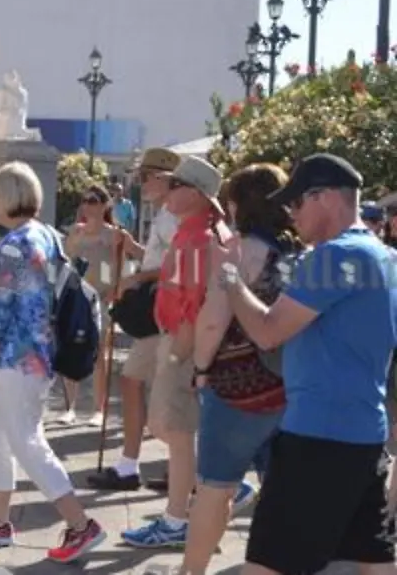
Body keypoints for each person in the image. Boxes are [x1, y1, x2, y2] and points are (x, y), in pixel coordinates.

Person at [212, 153, 397, 574]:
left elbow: (266, 331)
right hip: (365, 435)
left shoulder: (333, 257)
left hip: (318, 438)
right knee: (374, 561)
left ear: (328, 197)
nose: (289, 212)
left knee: (266, 564)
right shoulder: (384, 256)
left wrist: (229, 277)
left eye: (297, 201)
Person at [0, 162, 106, 563]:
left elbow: (3, 304)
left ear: (9, 197)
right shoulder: (46, 235)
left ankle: (79, 523)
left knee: (26, 440)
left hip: (19, 355)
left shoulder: (13, 243)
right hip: (40, 353)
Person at [181, 163, 300, 574]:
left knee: (215, 487)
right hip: (288, 386)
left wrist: (199, 369)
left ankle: (191, 571)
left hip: (237, 389)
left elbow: (214, 319)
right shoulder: (295, 252)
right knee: (280, 492)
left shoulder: (238, 251)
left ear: (238, 203)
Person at [123, 155, 225, 547]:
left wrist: (176, 356)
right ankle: (204, 493)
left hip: (180, 345)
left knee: (173, 429)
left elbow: (195, 306)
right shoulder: (191, 232)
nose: (168, 190)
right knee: (170, 428)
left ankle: (181, 515)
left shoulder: (198, 238)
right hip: (175, 341)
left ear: (196, 193)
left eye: (176, 184)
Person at [88, 147, 180, 491]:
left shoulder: (172, 216)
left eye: (145, 177)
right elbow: (159, 258)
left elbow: (176, 265)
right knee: (132, 381)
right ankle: (134, 465)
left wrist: (136, 279)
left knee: (161, 397)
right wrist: (134, 252)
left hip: (162, 313)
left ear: (164, 178)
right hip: (156, 313)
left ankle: (180, 468)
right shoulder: (164, 214)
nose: (141, 184)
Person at [59, 184, 141, 428]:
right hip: (75, 298)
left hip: (101, 298)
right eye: (85, 200)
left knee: (99, 356)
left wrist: (122, 286)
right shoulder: (75, 231)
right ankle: (69, 408)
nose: (89, 205)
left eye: (95, 200)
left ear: (106, 204)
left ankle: (98, 409)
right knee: (70, 352)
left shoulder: (115, 234)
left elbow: (137, 256)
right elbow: (63, 261)